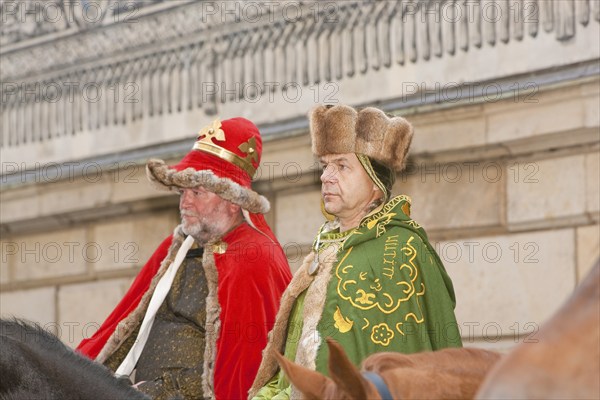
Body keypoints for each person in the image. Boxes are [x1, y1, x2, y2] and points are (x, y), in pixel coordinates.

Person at [249, 104, 463, 399]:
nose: (326, 176)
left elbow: (434, 359)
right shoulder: (323, 249)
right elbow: (296, 358)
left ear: (375, 184)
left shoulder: (403, 249)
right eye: (325, 165)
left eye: (342, 165)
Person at [77, 117, 292, 400]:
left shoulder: (255, 257)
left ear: (231, 199)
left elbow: (247, 375)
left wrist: (161, 391)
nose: (184, 202)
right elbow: (122, 327)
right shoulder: (176, 246)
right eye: (182, 191)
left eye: (196, 192)